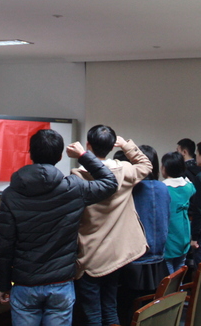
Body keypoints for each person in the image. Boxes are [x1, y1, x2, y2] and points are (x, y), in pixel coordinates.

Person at [0, 129, 118, 326]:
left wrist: (2, 284)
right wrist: (83, 155)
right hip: (60, 283)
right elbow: (110, 183)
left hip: (25, 283)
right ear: (60, 156)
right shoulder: (74, 188)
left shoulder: (11, 194)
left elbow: (4, 245)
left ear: (30, 153)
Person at [72, 125, 152, 326]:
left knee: (92, 314)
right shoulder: (125, 170)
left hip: (89, 255)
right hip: (115, 254)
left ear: (88, 145)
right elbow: (146, 165)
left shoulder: (78, 177)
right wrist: (126, 145)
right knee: (110, 307)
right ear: (110, 147)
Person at [116, 144, 170, 326]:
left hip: (134, 262)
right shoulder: (163, 188)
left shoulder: (132, 188)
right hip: (159, 263)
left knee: (127, 312)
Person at [161, 151, 196, 273]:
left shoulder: (163, 188)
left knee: (168, 273)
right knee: (180, 269)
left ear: (165, 168)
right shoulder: (189, 186)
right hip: (184, 234)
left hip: (169, 236)